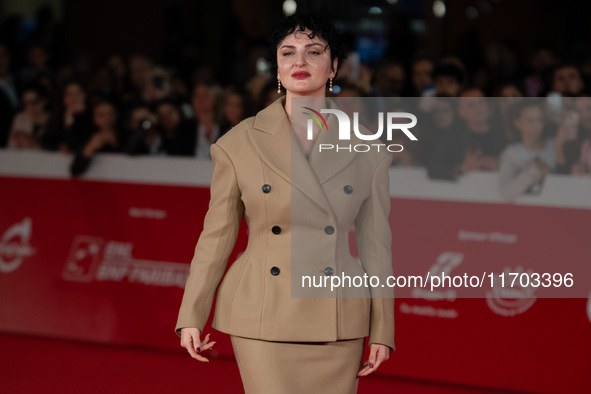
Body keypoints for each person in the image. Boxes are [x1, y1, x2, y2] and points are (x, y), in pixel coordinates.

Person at [175, 13, 394, 394]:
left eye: (314, 52)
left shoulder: (369, 151)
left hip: (338, 317)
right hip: (263, 312)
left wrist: (382, 330)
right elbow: (216, 237)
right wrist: (191, 314)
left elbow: (377, 247)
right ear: (276, 66)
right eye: (288, 52)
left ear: (334, 66)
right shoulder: (239, 143)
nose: (300, 61)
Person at [498, 100, 556, 201]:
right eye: (530, 121)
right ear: (517, 123)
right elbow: (506, 193)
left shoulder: (555, 145)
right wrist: (533, 171)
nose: (536, 125)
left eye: (540, 120)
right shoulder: (511, 154)